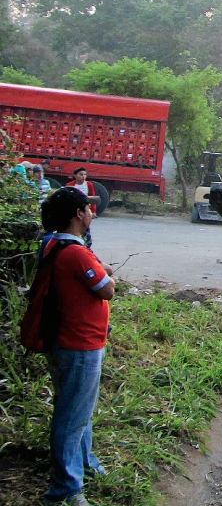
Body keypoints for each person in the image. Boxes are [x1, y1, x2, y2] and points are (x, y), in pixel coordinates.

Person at [38, 187, 115, 504]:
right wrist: (107, 275)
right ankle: (65, 489)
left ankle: (85, 463)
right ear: (76, 216)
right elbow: (106, 288)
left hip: (66, 341)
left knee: (77, 411)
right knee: (71, 418)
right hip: (79, 345)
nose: (92, 213)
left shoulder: (53, 244)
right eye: (87, 208)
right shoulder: (76, 253)